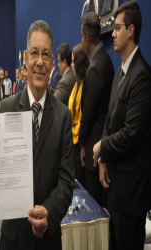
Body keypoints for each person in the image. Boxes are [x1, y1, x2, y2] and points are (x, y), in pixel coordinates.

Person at [0, 20, 74, 250]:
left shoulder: (63, 116)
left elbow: (67, 182)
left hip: (49, 240)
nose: (40, 61)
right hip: (13, 239)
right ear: (26, 58)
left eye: (46, 55)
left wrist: (49, 211)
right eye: (35, 54)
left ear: (51, 64)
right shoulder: (6, 109)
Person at [93, 2, 151, 249]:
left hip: (131, 196)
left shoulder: (142, 76)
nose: (112, 34)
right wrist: (104, 159)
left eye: (117, 29)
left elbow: (131, 134)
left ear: (131, 30)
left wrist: (101, 147)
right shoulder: (120, 73)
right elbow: (109, 118)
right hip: (115, 190)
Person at [78, 12, 114, 208]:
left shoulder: (95, 68)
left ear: (87, 37)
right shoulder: (106, 60)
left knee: (94, 211)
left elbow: (88, 114)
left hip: (95, 149)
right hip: (102, 143)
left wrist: (82, 142)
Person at [68, 43, 89, 181]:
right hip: (72, 144)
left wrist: (72, 134)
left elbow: (82, 120)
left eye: (73, 61)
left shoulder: (85, 86)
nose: (71, 65)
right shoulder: (77, 84)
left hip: (77, 145)